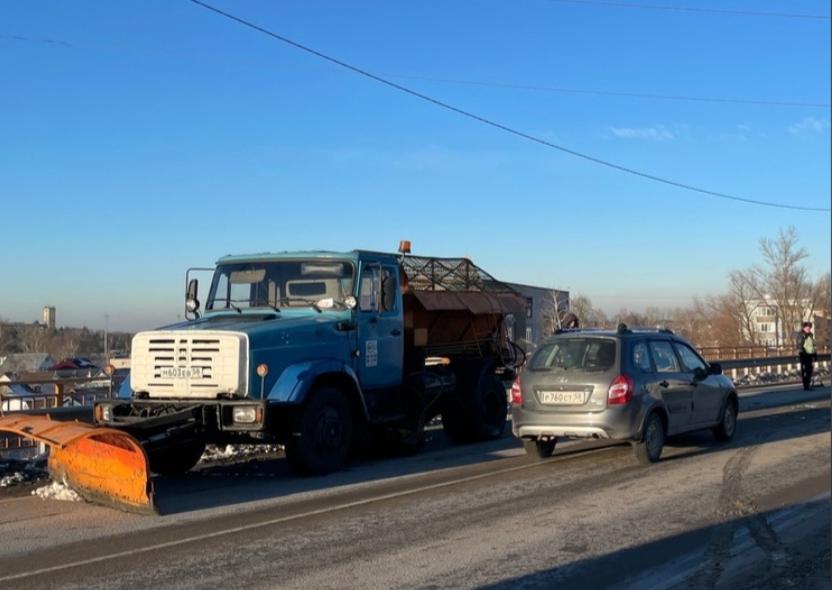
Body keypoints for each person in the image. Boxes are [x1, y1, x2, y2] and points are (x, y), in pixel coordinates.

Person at [796, 321, 817, 390]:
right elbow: (799, 345)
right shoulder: (801, 335)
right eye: (807, 328)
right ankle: (806, 385)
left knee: (809, 370)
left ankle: (808, 384)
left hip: (810, 355)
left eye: (809, 328)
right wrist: (802, 353)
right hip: (804, 355)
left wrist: (814, 354)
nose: (808, 329)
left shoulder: (810, 335)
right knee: (805, 371)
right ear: (804, 328)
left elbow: (812, 345)